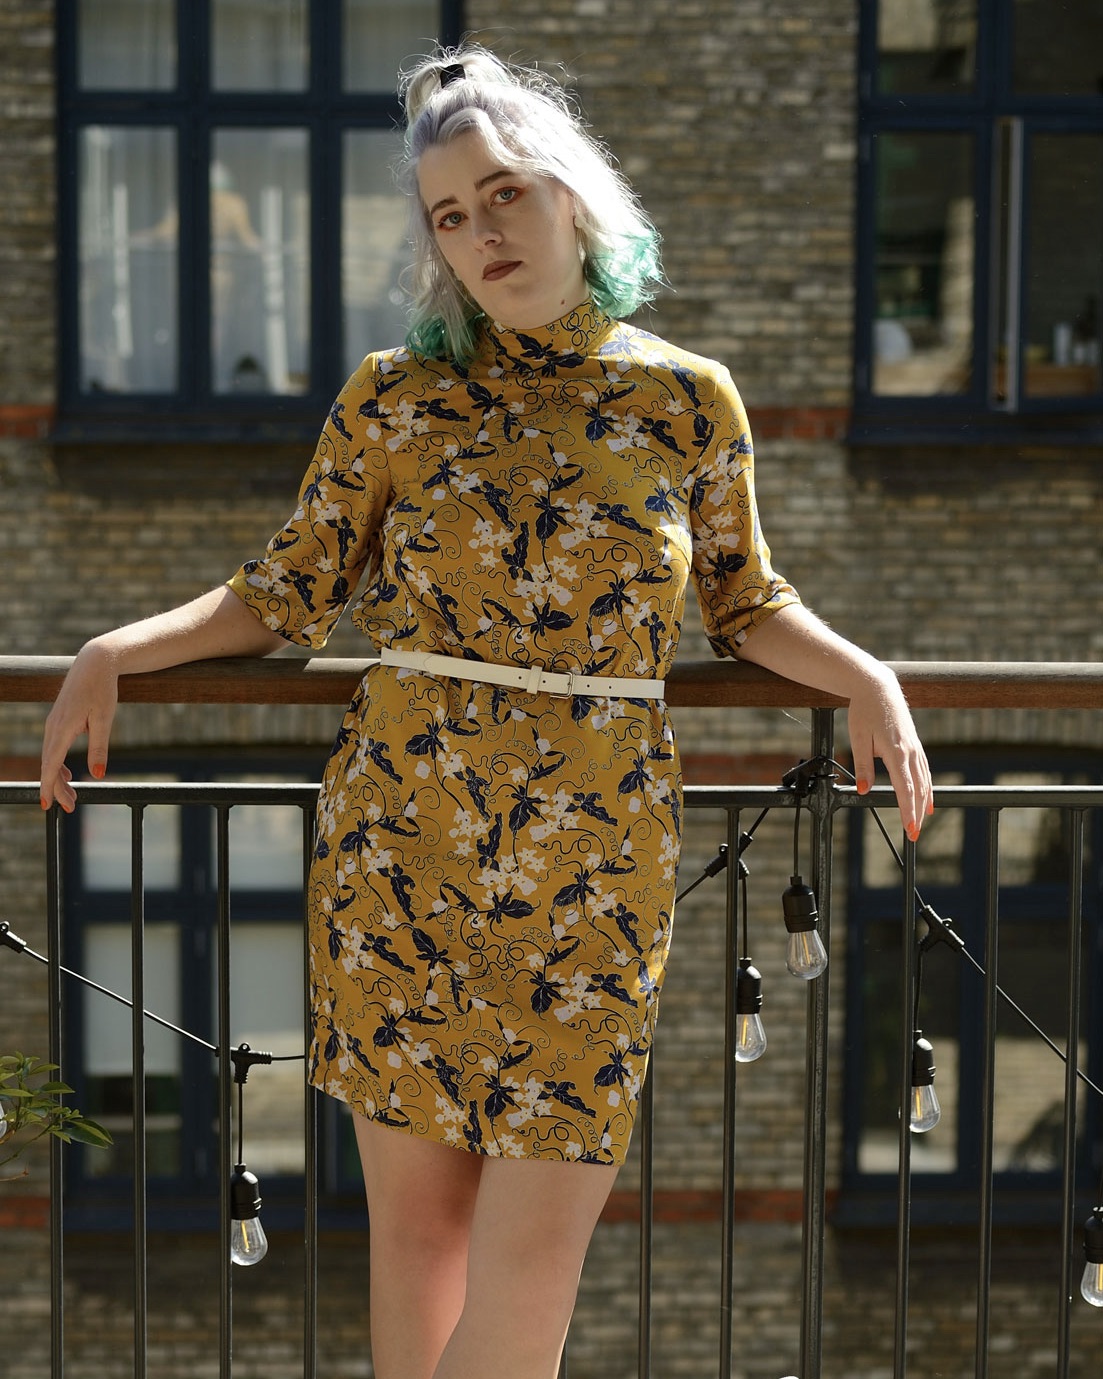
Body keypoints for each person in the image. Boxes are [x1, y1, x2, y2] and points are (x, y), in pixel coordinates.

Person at [40, 45, 933, 1379]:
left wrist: (867, 674)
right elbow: (287, 592)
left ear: (573, 194)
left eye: (505, 194)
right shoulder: (391, 398)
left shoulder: (686, 398)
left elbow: (745, 604)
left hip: (597, 859)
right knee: (418, 1239)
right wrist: (116, 648)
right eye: (451, 216)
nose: (484, 234)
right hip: (401, 843)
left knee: (535, 1255)